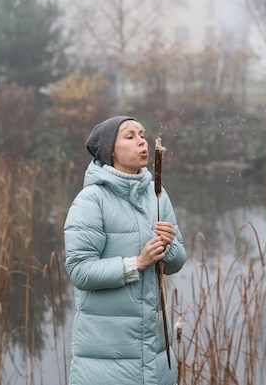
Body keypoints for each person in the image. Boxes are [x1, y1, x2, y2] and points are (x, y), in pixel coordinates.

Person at [63, 116, 187, 385]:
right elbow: (80, 271)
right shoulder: (91, 200)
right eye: (129, 137)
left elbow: (178, 262)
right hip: (106, 361)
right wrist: (136, 264)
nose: (141, 141)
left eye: (142, 134)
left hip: (156, 358)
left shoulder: (157, 195)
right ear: (110, 151)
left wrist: (168, 246)